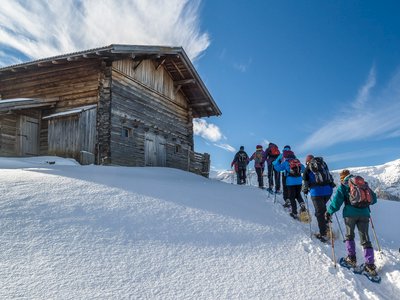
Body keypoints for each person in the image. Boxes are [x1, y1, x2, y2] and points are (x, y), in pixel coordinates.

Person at [325, 169, 378, 276]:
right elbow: (374, 199)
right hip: (364, 214)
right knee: (365, 239)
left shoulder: (344, 186)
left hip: (350, 215)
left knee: (349, 236)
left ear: (341, 178)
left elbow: (336, 203)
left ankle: (351, 259)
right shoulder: (362, 184)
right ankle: (370, 265)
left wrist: (329, 212)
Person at [302, 154, 334, 242]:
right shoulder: (323, 164)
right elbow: (328, 175)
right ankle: (326, 224)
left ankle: (323, 233)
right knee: (323, 208)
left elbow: (305, 178)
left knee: (319, 212)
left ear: (307, 161)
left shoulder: (308, 167)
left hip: (316, 192)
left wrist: (305, 189)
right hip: (328, 191)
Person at [273, 149, 306, 218]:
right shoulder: (297, 161)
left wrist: (277, 162)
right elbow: (304, 170)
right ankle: (302, 204)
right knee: (298, 194)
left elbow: (278, 169)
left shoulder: (286, 162)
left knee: (292, 197)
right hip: (299, 181)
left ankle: (294, 213)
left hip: (290, 182)